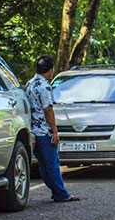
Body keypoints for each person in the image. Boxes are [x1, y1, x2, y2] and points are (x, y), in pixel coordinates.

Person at [26, 55, 80, 202]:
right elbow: (48, 109)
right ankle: (61, 193)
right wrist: (54, 131)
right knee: (53, 164)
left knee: (43, 164)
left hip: (32, 130)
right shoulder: (44, 86)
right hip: (44, 130)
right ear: (50, 70)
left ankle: (55, 190)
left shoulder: (29, 84)